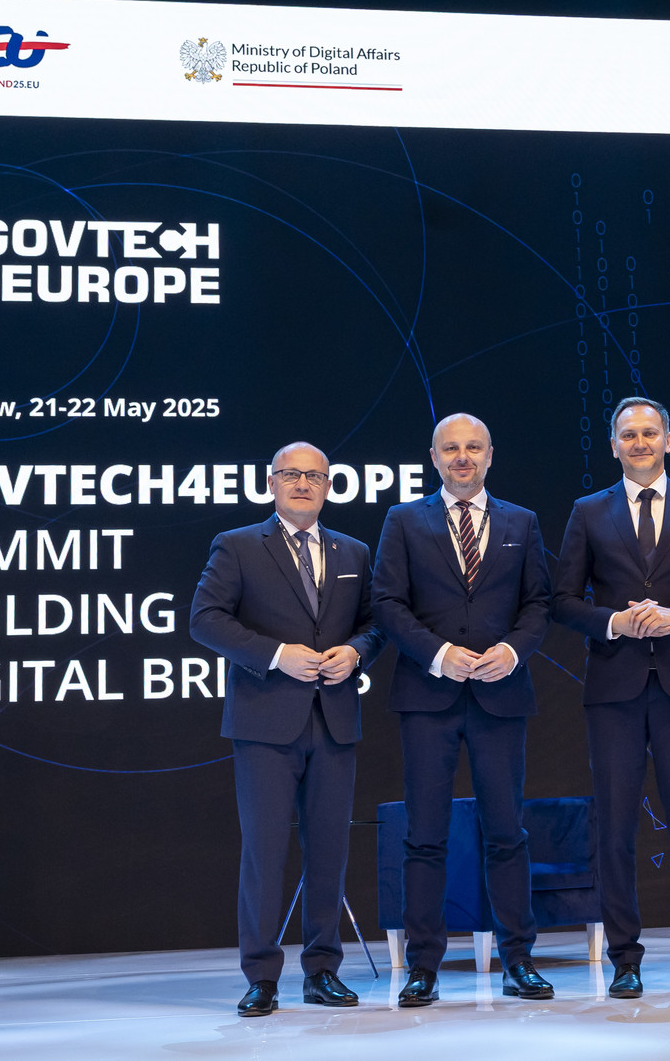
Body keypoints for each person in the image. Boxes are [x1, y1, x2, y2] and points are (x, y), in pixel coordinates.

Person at [190, 441, 386, 1016]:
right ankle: (261, 976)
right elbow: (205, 619)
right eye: (292, 475)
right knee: (265, 851)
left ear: (329, 486)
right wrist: (277, 655)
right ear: (271, 482)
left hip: (334, 720)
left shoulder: (353, 550)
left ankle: (323, 970)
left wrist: (356, 652)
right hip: (265, 723)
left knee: (329, 852)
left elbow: (375, 623)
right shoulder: (238, 545)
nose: (303, 484)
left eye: (315, 476)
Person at [553, 396, 670, 998]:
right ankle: (624, 960)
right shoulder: (588, 511)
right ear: (613, 445)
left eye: (649, 433)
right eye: (628, 434)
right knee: (615, 831)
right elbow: (563, 600)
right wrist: (615, 622)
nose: (639, 443)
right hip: (615, 689)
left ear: (668, 440)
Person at [371, 413, 554, 1007]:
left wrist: (513, 651)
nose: (462, 457)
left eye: (473, 447)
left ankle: (518, 961)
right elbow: (387, 603)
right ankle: (423, 967)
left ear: (490, 455)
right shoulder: (403, 520)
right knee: (425, 835)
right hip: (429, 697)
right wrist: (439, 654)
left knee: (506, 833)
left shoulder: (521, 522)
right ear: (434, 456)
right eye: (451, 448)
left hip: (501, 695)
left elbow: (538, 603)